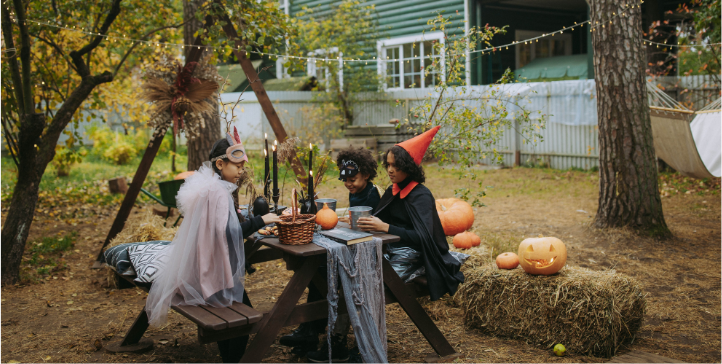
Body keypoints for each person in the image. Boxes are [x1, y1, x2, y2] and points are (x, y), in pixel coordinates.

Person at [144, 129, 280, 362]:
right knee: (243, 321)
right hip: (214, 274)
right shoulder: (218, 193)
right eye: (237, 166)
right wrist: (261, 220)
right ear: (220, 164)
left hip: (203, 267)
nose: (241, 171)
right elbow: (227, 233)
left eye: (242, 166)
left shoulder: (209, 187)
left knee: (233, 317)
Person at [279, 146, 382, 362]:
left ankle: (337, 341)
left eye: (352, 179)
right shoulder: (357, 192)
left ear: (366, 174)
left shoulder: (374, 195)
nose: (348, 184)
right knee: (317, 271)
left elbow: (373, 230)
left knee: (342, 279)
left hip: (368, 255)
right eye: (345, 180)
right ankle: (310, 329)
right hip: (352, 249)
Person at [357, 126, 465, 300]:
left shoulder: (420, 196)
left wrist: (386, 227)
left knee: (375, 283)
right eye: (389, 165)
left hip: (417, 253)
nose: (390, 170)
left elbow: (422, 237)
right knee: (356, 272)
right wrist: (359, 221)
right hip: (391, 248)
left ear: (408, 167)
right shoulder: (393, 190)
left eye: (396, 166)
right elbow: (378, 219)